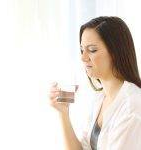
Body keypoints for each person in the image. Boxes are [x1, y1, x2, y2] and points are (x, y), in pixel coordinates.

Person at [49, 16, 141, 150]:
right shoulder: (100, 99)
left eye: (92, 50)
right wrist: (63, 112)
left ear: (115, 52)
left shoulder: (132, 105)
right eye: (82, 49)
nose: (83, 57)